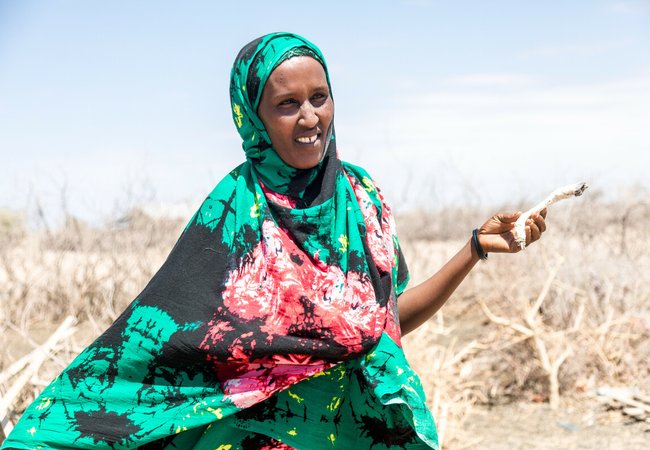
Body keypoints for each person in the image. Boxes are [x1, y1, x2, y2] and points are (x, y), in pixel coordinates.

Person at [2, 32, 546, 450]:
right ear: (253, 117)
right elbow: (165, 341)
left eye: (320, 97)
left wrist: (473, 249)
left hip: (361, 424)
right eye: (287, 104)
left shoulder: (361, 196)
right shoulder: (234, 208)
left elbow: (384, 322)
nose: (310, 117)